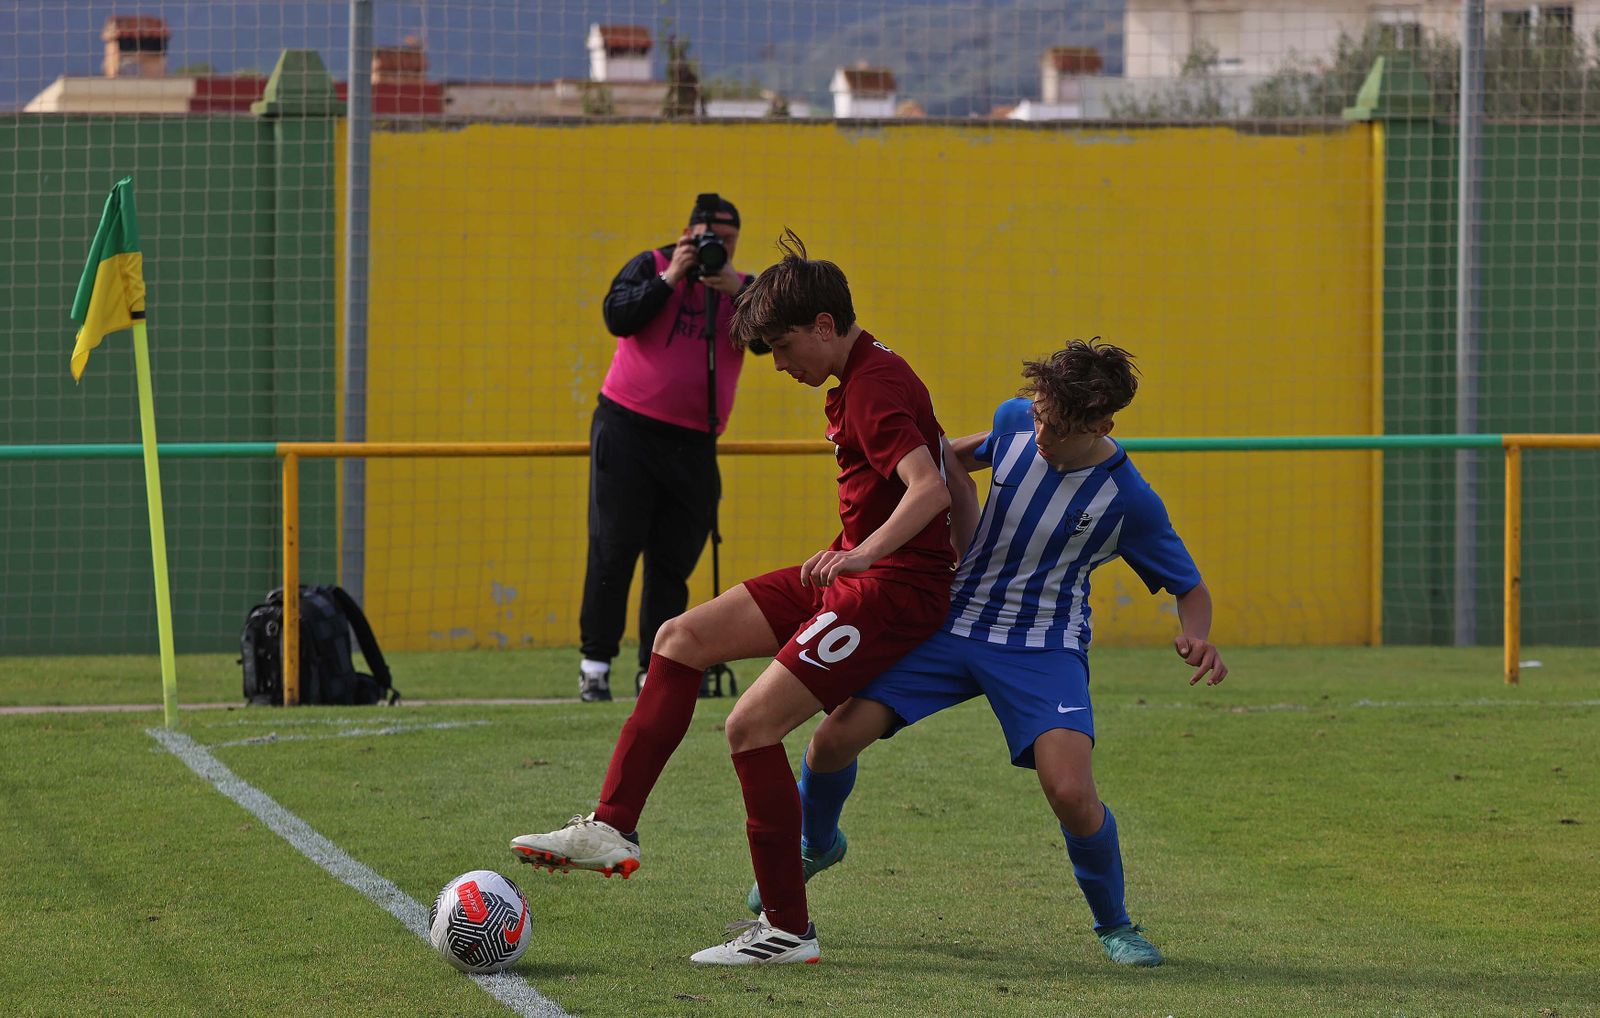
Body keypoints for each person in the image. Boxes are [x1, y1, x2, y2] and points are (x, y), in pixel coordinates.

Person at [512, 230, 960, 965]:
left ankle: (787, 930)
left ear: (823, 326)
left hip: (889, 591)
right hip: (858, 575)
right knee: (677, 638)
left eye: (782, 348)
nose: (779, 366)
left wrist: (865, 553)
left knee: (750, 726)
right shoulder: (866, 375)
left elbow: (928, 489)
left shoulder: (875, 387)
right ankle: (613, 825)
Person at [745, 339, 1227, 968]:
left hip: (1041, 647)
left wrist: (1198, 634)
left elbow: (1189, 586)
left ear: (1102, 426)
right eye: (1038, 415)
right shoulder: (1014, 422)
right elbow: (946, 461)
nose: (1041, 433)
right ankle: (817, 843)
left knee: (1071, 792)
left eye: (1057, 427)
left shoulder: (1129, 501)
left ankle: (1117, 924)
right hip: (950, 623)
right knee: (831, 741)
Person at [578, 194, 756, 702]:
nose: (716, 248)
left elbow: (770, 337)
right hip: (628, 429)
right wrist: (672, 276)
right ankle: (595, 666)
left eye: (727, 241)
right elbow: (618, 315)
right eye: (709, 239)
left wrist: (737, 288)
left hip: (695, 441)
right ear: (688, 233)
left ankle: (656, 669)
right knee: (614, 548)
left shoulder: (741, 289)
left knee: (673, 561)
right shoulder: (651, 265)